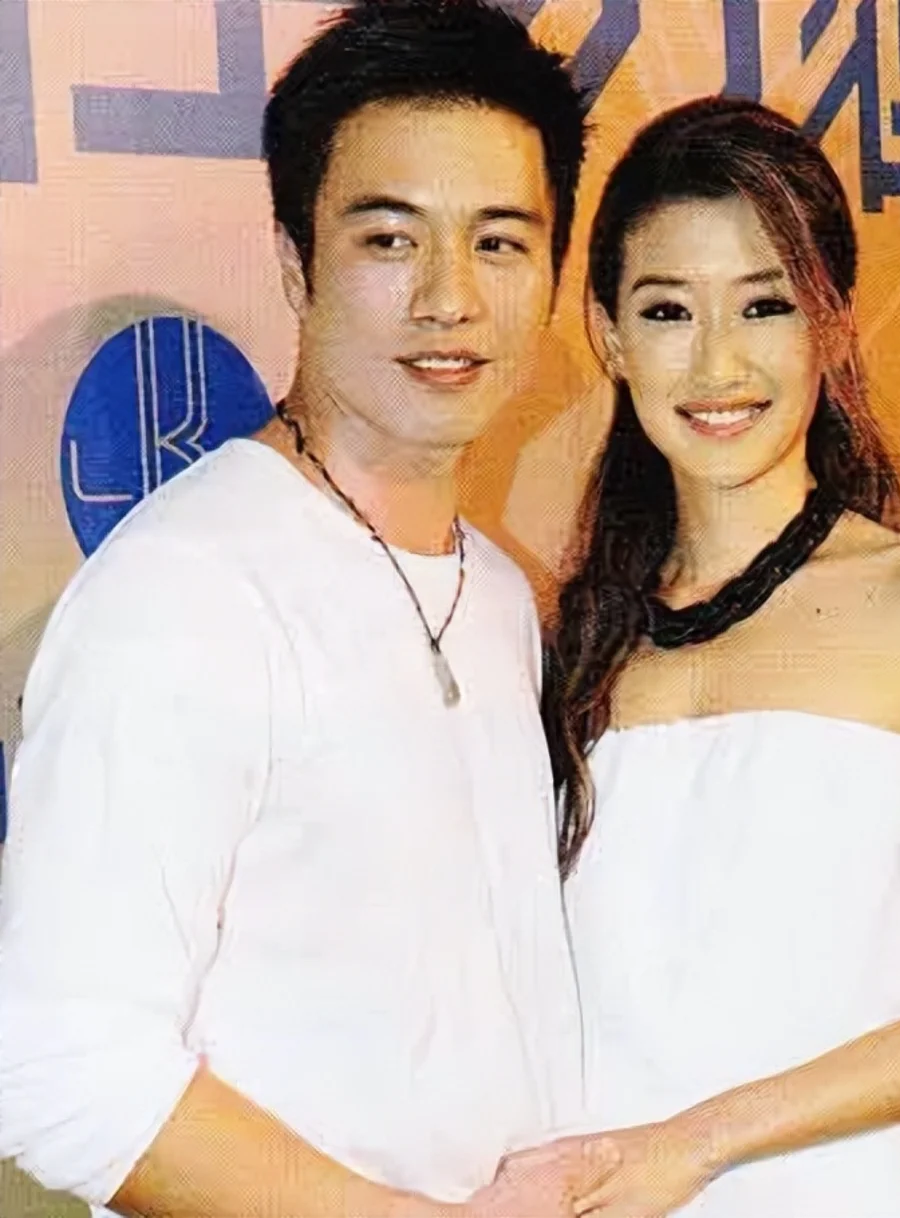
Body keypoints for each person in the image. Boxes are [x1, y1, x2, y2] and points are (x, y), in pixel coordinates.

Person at [0, 3, 613, 1215]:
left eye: (499, 242)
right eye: (390, 240)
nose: (450, 298)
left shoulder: (500, 598)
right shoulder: (187, 592)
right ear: (295, 263)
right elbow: (63, 1070)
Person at [532, 97, 900, 1217]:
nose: (717, 362)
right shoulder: (571, 638)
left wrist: (694, 1146)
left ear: (832, 325)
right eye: (668, 311)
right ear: (610, 337)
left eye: (763, 304)